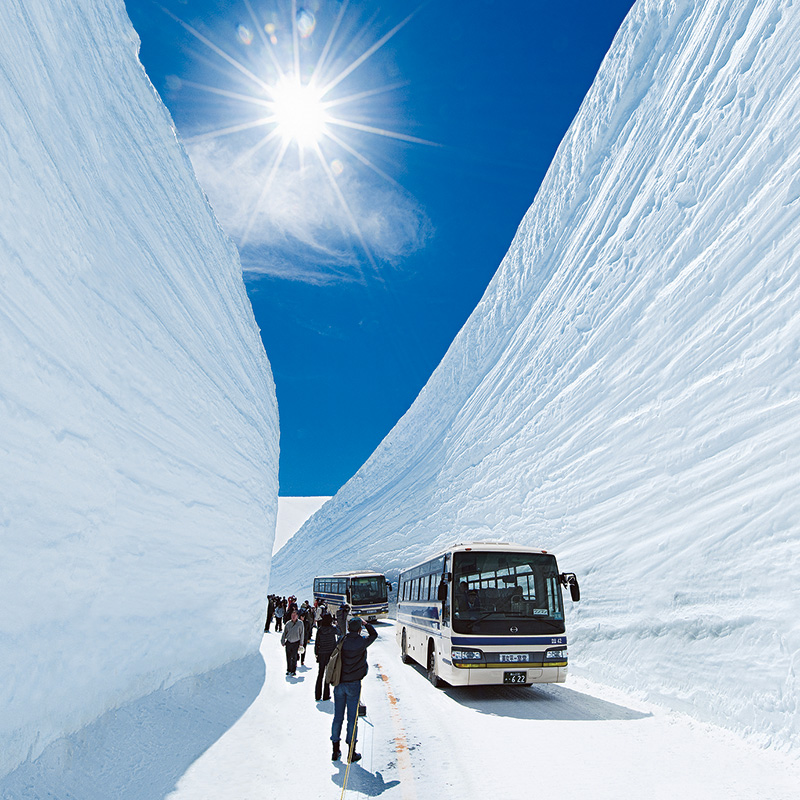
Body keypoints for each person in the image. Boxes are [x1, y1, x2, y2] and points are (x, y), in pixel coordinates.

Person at [330, 618, 377, 763]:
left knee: (338, 717)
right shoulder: (362, 642)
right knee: (352, 718)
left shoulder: (342, 641)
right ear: (359, 629)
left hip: (340, 682)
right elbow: (374, 635)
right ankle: (351, 752)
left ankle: (335, 750)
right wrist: (366, 624)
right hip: (354, 684)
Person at [314, 613, 338, 701]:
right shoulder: (332, 629)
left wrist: (316, 653)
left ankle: (317, 694)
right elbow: (340, 632)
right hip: (330, 654)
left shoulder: (320, 630)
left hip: (321, 654)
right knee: (328, 674)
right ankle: (325, 695)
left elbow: (317, 643)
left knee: (320, 674)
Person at [281, 609, 305, 676]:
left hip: (296, 642)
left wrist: (301, 643)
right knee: (288, 657)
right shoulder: (288, 623)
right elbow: (284, 633)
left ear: (297, 616)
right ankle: (288, 669)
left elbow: (302, 633)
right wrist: (282, 641)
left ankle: (293, 670)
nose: (293, 616)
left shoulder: (300, 623)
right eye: (292, 615)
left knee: (294, 657)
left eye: (295, 615)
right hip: (289, 642)